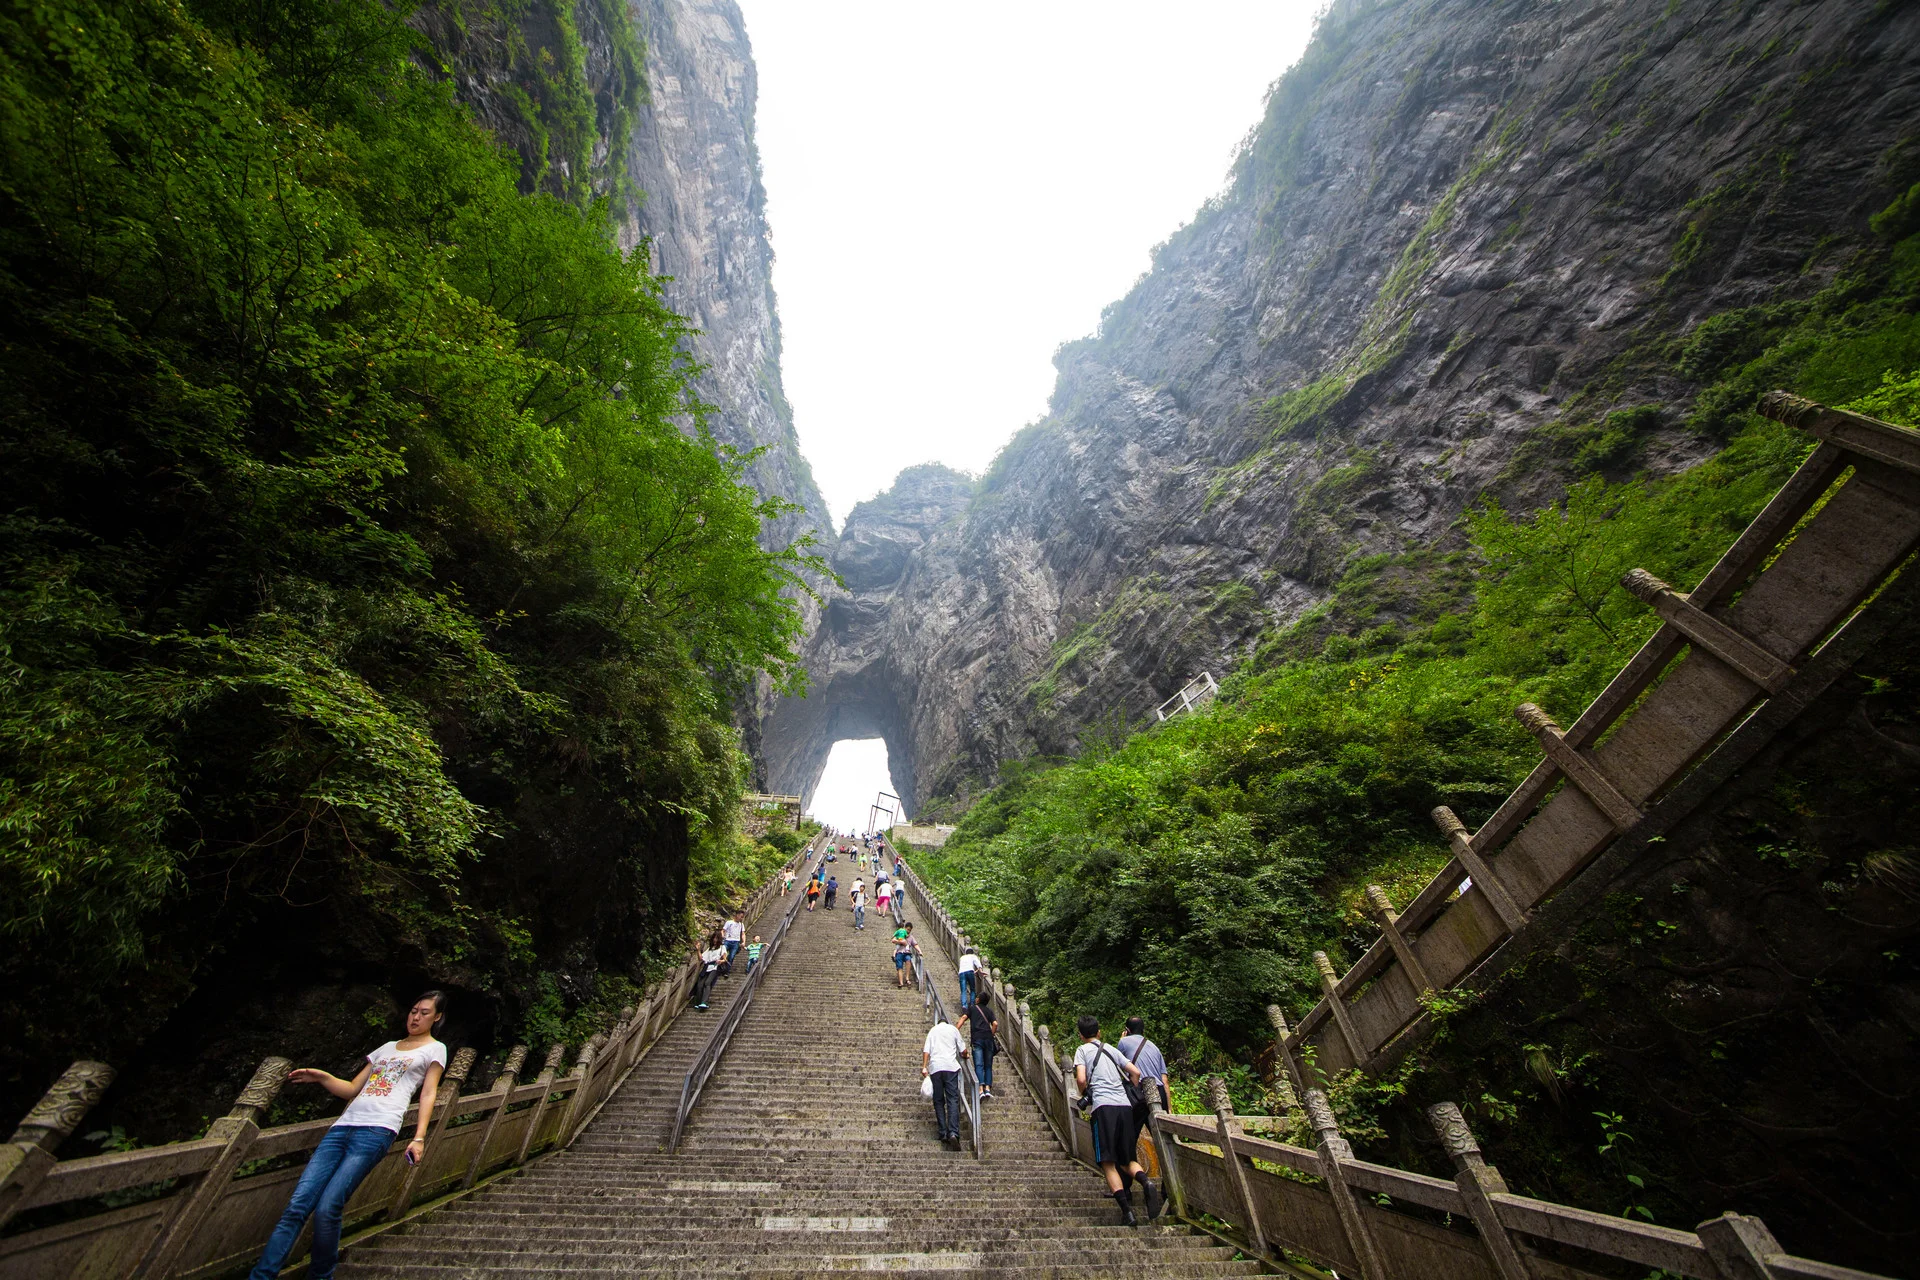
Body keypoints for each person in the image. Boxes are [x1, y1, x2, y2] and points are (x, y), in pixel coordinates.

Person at [247, 993, 449, 1279]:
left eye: (424, 1013)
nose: (415, 1017)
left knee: (328, 1207)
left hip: (377, 1130)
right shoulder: (387, 1047)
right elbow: (353, 1088)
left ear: (437, 1017)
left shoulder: (435, 1049)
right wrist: (322, 1077)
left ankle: (321, 1276)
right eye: (413, 1010)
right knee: (298, 1204)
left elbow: (429, 1093)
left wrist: (419, 1137)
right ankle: (261, 1276)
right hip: (342, 1128)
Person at [1073, 1015, 1158, 1226]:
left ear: (1080, 1035)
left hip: (1104, 1108)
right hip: (1124, 1107)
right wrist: (1129, 1090)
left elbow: (1082, 1079)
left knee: (1108, 1162)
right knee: (1127, 1158)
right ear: (1099, 1032)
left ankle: (1127, 1212)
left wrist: (1087, 1093)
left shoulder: (1082, 1050)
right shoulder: (1111, 1049)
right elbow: (1135, 1072)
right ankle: (1146, 1183)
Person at [922, 1014, 968, 1150]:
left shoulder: (933, 1030)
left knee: (938, 1100)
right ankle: (953, 1132)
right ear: (947, 1022)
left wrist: (924, 1066)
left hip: (935, 1067)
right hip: (950, 1067)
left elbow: (926, 1050)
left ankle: (942, 1132)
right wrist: (966, 1055)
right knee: (952, 1099)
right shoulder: (953, 1030)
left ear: (938, 1022)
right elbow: (962, 1050)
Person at [1116, 1016, 1172, 1113]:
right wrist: (1169, 1108)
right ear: (1143, 1030)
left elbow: (1117, 1066)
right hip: (1158, 1091)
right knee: (1158, 1126)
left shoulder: (1123, 1042)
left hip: (1139, 1092)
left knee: (1131, 1127)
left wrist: (1121, 1039)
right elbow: (1165, 1080)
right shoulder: (1154, 1047)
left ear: (1127, 1030)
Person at [959, 993, 999, 1100]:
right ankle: (988, 1089)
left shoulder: (973, 1009)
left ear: (978, 1000)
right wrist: (992, 1034)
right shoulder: (989, 1011)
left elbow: (963, 1017)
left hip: (977, 1039)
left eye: (977, 997)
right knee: (988, 1065)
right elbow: (995, 1023)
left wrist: (955, 1029)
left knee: (979, 1064)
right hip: (988, 1039)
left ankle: (980, 1089)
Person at [693, 931, 726, 1009]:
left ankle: (704, 1002)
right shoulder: (710, 949)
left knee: (707, 983)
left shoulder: (722, 947)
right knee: (700, 985)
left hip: (715, 967)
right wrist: (698, 950)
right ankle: (698, 1002)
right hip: (706, 967)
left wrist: (720, 961)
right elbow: (701, 958)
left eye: (717, 938)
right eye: (714, 938)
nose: (715, 940)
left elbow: (725, 959)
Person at [892, 922, 917, 988]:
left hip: (907, 953)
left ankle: (907, 979)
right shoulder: (900, 933)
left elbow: (915, 944)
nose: (908, 931)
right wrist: (899, 941)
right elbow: (893, 939)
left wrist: (919, 951)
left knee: (908, 961)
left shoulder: (910, 937)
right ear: (904, 928)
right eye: (907, 929)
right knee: (899, 967)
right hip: (899, 952)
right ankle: (901, 983)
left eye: (910, 930)